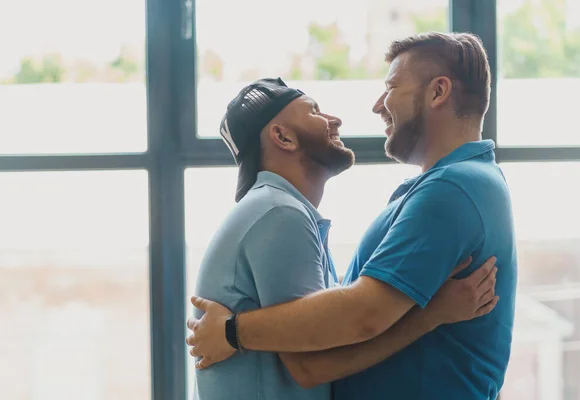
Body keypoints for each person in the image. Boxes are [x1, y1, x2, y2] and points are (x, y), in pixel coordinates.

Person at [190, 30, 514, 399]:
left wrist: (233, 331)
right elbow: (332, 339)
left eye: (391, 87)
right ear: (282, 138)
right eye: (314, 110)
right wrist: (432, 314)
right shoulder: (281, 212)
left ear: (438, 92)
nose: (377, 105)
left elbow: (361, 316)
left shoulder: (451, 190)